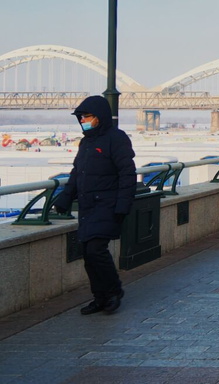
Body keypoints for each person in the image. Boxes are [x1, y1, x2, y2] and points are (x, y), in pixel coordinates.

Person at [52, 95, 137, 315]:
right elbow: (77, 173)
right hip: (88, 206)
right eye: (81, 117)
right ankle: (100, 298)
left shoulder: (116, 138)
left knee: (96, 250)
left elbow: (127, 174)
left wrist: (122, 205)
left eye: (87, 116)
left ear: (100, 117)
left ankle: (114, 291)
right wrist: (65, 197)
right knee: (88, 254)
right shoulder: (86, 142)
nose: (83, 120)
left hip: (107, 204)